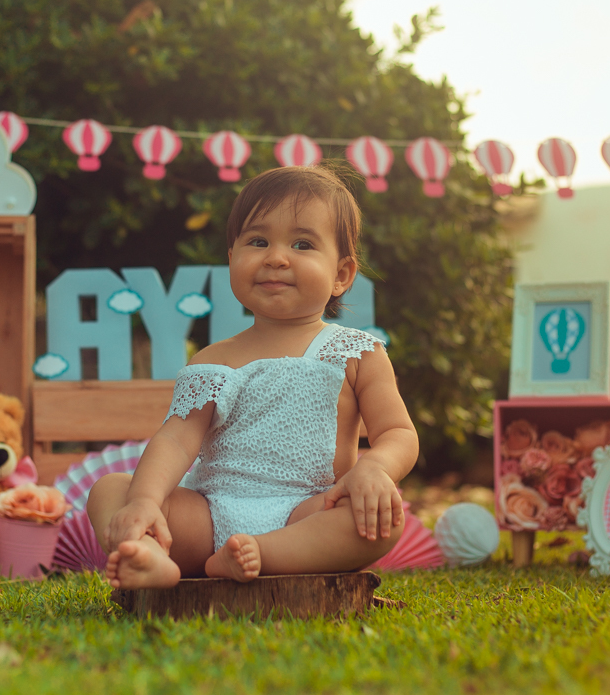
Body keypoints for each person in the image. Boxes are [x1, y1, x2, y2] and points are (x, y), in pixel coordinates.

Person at [86, 165, 419, 589]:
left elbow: (397, 432)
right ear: (231, 259)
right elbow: (176, 438)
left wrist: (376, 468)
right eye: (257, 241)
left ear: (341, 275)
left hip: (307, 513)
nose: (276, 257)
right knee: (111, 491)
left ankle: (265, 554)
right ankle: (149, 555)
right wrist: (146, 502)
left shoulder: (355, 352)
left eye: (302, 244)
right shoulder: (215, 358)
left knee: (380, 521)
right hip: (206, 516)